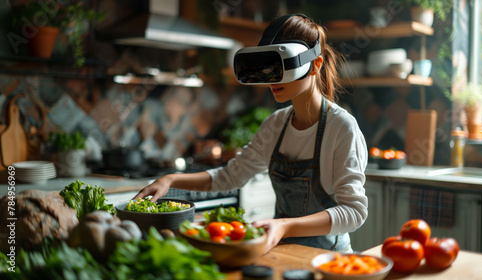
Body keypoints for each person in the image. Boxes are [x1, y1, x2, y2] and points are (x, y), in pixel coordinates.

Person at [133, 14, 368, 253]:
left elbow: (354, 212)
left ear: (315, 65)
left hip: (329, 262)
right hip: (284, 253)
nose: (271, 78)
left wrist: (285, 226)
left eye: (280, 66)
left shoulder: (341, 128)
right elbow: (230, 176)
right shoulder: (276, 125)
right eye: (266, 67)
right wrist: (171, 180)